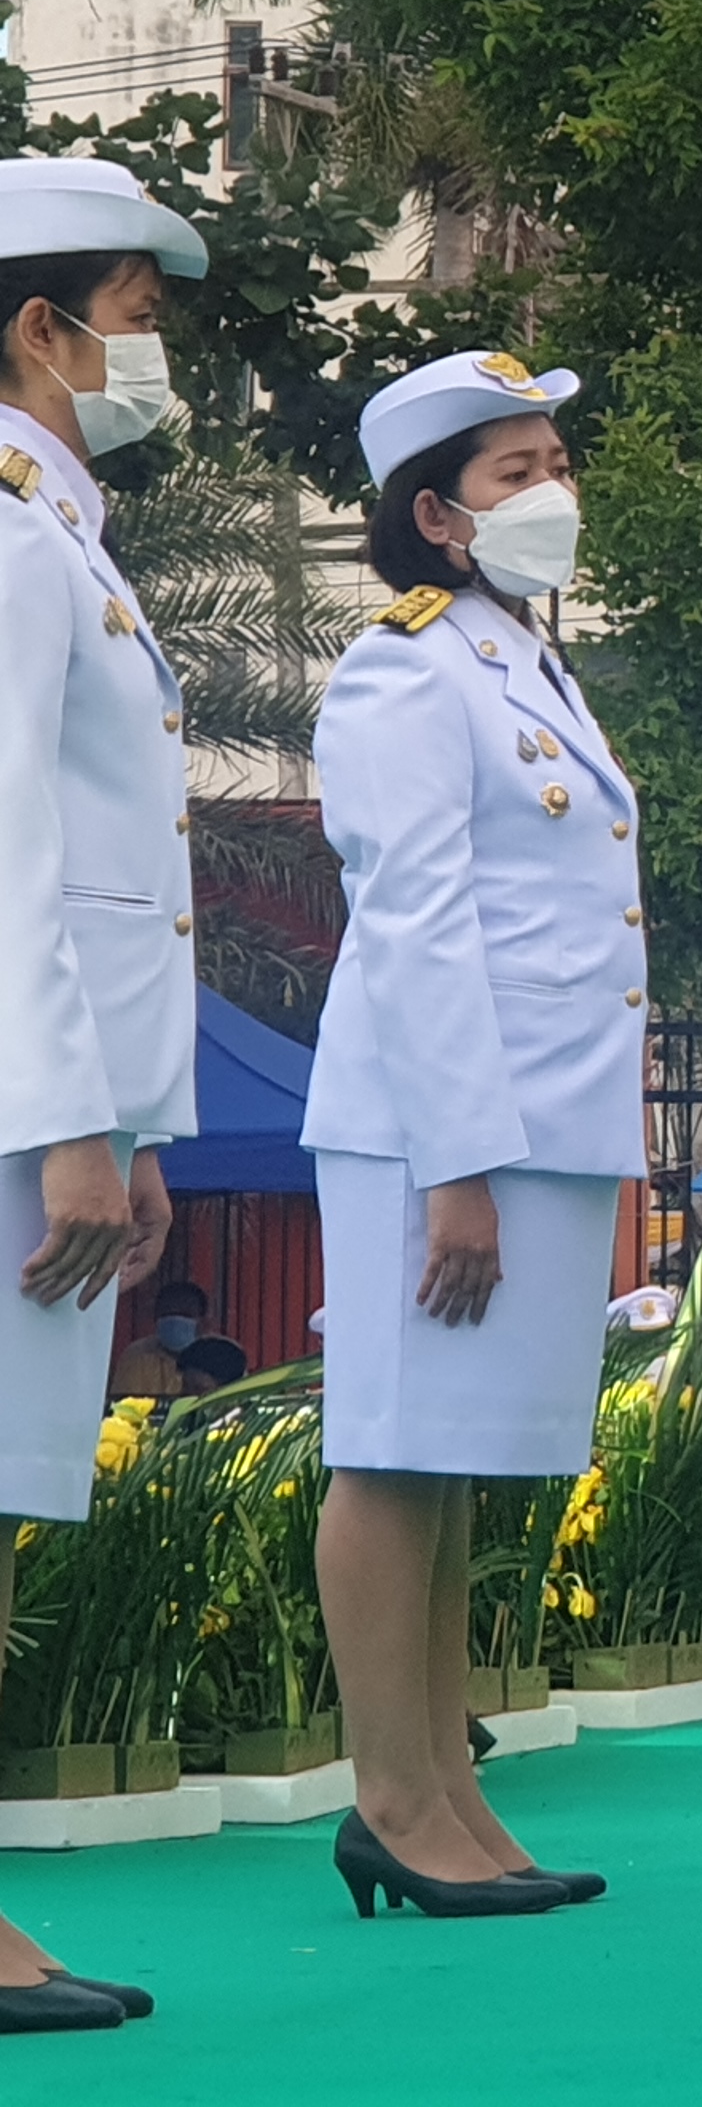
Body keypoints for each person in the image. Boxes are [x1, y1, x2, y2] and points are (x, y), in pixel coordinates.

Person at [304, 347, 645, 1926]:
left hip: (534, 1122)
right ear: (437, 515)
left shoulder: (520, 662)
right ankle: (390, 1799)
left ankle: (448, 1786)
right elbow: (418, 921)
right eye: (518, 474)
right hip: (439, 1129)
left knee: (451, 1466)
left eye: (557, 461)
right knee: (389, 1447)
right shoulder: (404, 669)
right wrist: (457, 1169)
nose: (553, 493)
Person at [0, 160, 197, 2035]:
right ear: (39, 330)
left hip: (56, 1104)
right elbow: (12, 845)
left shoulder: (67, 529)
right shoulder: (3, 527)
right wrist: (68, 1113)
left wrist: (127, 1124)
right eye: (131, 305)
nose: (154, 340)